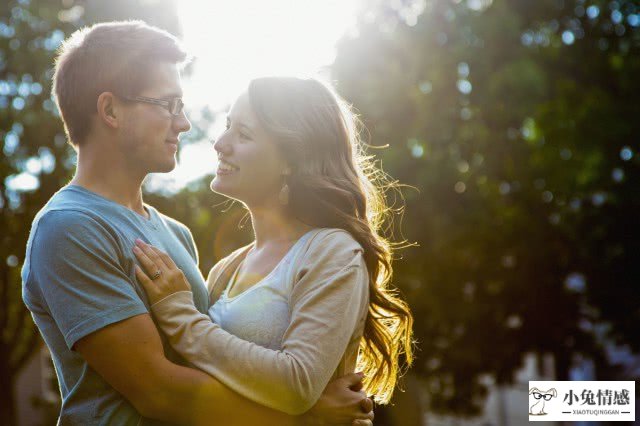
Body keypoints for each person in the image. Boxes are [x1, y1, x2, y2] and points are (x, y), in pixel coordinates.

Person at [21, 21, 373, 425]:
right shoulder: (69, 227)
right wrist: (303, 418)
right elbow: (160, 393)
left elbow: (212, 365)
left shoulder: (176, 234)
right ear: (110, 110)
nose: (184, 123)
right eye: (168, 104)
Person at [132, 77, 415, 417]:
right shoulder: (227, 269)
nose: (220, 144)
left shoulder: (333, 252)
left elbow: (296, 385)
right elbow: (203, 385)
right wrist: (311, 416)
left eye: (244, 134)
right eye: (227, 127)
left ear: (291, 160)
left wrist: (180, 315)